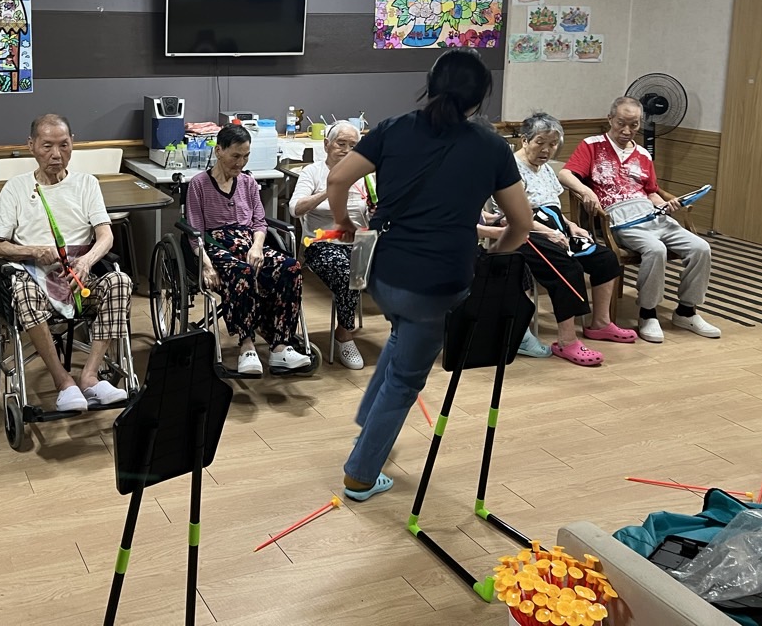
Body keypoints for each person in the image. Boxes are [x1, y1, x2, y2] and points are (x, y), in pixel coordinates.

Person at [326, 51, 532, 501]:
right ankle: (360, 475)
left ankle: (369, 424)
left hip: (383, 275)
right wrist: (497, 253)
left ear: (431, 83)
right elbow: (521, 223)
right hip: (438, 284)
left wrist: (343, 223)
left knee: (401, 337)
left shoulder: (394, 128)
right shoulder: (491, 147)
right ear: (479, 98)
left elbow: (338, 179)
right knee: (405, 379)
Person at [0, 115, 132, 413]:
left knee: (120, 281)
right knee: (23, 292)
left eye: (64, 145)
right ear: (31, 146)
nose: (56, 154)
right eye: (47, 146)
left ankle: (90, 376)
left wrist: (87, 261)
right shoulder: (16, 188)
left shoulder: (87, 184)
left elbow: (105, 235)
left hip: (80, 279)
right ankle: (63, 381)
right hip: (35, 278)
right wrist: (32, 250)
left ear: (72, 143)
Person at [476, 112, 634, 368]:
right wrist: (548, 232)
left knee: (605, 258)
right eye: (540, 142)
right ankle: (567, 340)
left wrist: (571, 226)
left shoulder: (547, 169)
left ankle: (600, 323)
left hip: (556, 227)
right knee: (567, 268)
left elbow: (554, 208)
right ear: (525, 140)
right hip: (524, 232)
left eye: (552, 144)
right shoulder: (509, 168)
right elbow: (513, 215)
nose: (546, 150)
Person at [557, 96, 719, 344]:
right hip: (620, 218)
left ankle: (686, 311)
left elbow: (651, 191)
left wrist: (664, 204)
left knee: (701, 247)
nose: (626, 130)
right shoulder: (592, 145)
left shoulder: (643, 153)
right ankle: (648, 312)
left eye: (633, 125)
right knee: (655, 249)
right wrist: (587, 191)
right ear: (610, 119)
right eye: (621, 123)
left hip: (652, 214)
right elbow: (565, 174)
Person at [186, 124, 312, 376]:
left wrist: (257, 247)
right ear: (219, 151)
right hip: (216, 245)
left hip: (249, 242)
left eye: (245, 156)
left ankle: (280, 346)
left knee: (290, 267)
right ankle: (246, 345)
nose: (241, 162)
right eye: (235, 156)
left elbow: (259, 223)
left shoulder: (248, 183)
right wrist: (206, 266)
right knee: (241, 272)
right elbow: (195, 232)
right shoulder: (199, 184)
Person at [288, 121, 374, 369]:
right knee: (349, 274)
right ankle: (344, 335)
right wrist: (330, 189)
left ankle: (401, 334)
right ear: (327, 145)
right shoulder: (313, 172)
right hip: (322, 243)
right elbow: (295, 209)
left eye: (353, 146)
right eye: (341, 144)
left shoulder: (366, 175)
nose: (346, 150)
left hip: (361, 241)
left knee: (399, 266)